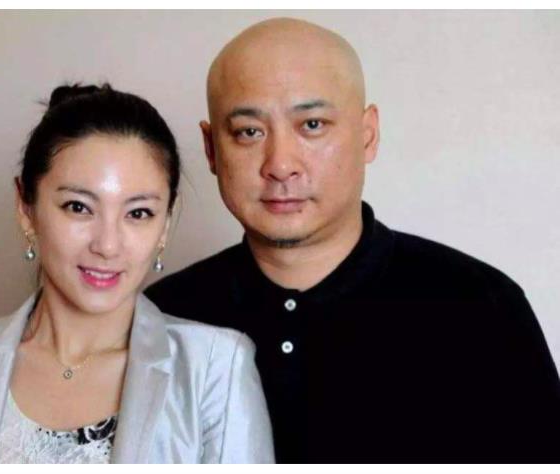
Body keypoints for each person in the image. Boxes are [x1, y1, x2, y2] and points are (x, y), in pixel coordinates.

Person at [145, 18, 560, 463]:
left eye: (312, 125)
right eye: (249, 132)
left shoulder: (480, 307)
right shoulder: (161, 322)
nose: (280, 164)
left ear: (367, 135)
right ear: (211, 149)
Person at [0, 83, 274, 463]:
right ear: (26, 208)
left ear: (165, 225)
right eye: (78, 207)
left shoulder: (215, 369)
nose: (107, 245)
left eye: (138, 213)